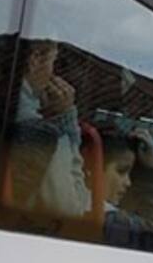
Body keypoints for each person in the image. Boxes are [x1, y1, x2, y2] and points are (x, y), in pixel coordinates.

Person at [7, 39, 91, 218]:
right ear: (35, 60)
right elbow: (71, 209)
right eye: (54, 62)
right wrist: (66, 122)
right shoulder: (36, 129)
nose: (53, 74)